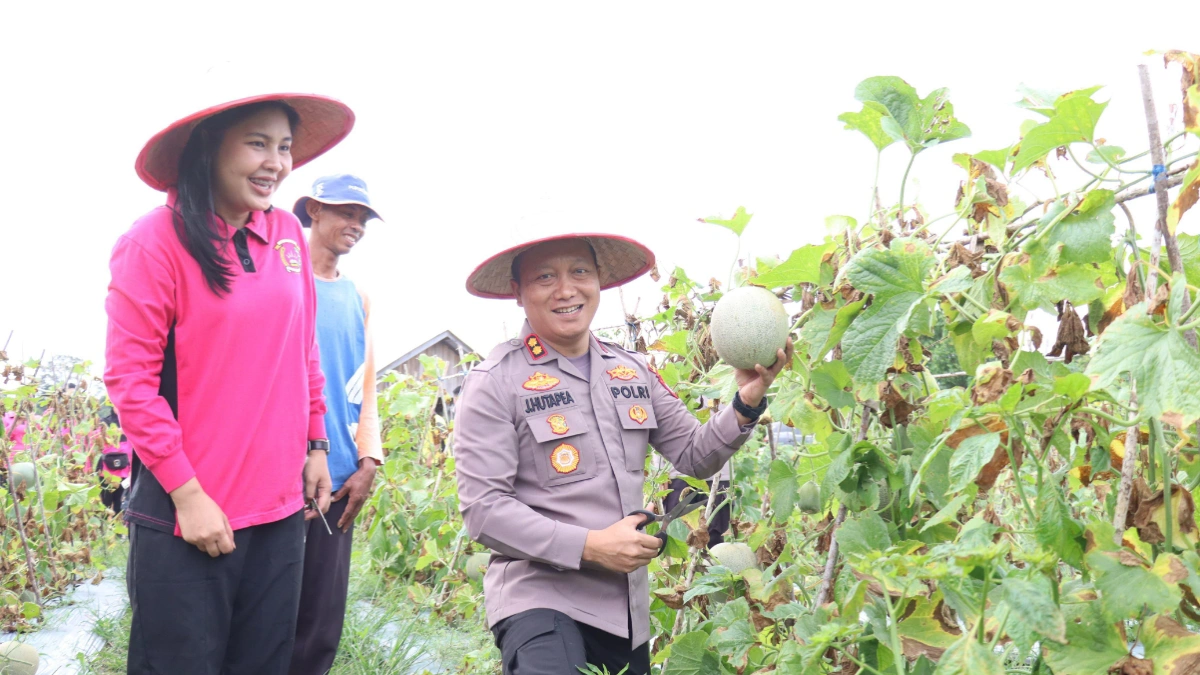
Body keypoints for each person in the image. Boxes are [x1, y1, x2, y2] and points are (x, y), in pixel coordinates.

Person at [454, 234, 793, 675]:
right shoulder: (495, 382)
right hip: (537, 601)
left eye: (579, 271)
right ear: (519, 292)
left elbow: (694, 455)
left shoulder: (631, 371)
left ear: (598, 281)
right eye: (544, 277)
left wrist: (746, 401)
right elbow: (484, 511)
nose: (566, 289)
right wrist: (590, 546)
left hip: (623, 611)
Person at [104, 92, 354, 675]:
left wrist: (317, 443)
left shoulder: (289, 233)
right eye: (257, 143)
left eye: (285, 147)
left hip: (277, 512)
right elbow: (130, 381)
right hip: (189, 517)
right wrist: (188, 497)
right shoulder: (155, 241)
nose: (277, 163)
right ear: (209, 147)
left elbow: (304, 349)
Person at [289, 174, 385, 675]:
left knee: (320, 619)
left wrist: (369, 460)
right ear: (313, 211)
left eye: (363, 217)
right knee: (268, 609)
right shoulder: (282, 280)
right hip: (285, 471)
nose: (356, 225)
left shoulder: (357, 298)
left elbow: (362, 386)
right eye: (346, 212)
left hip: (343, 475)